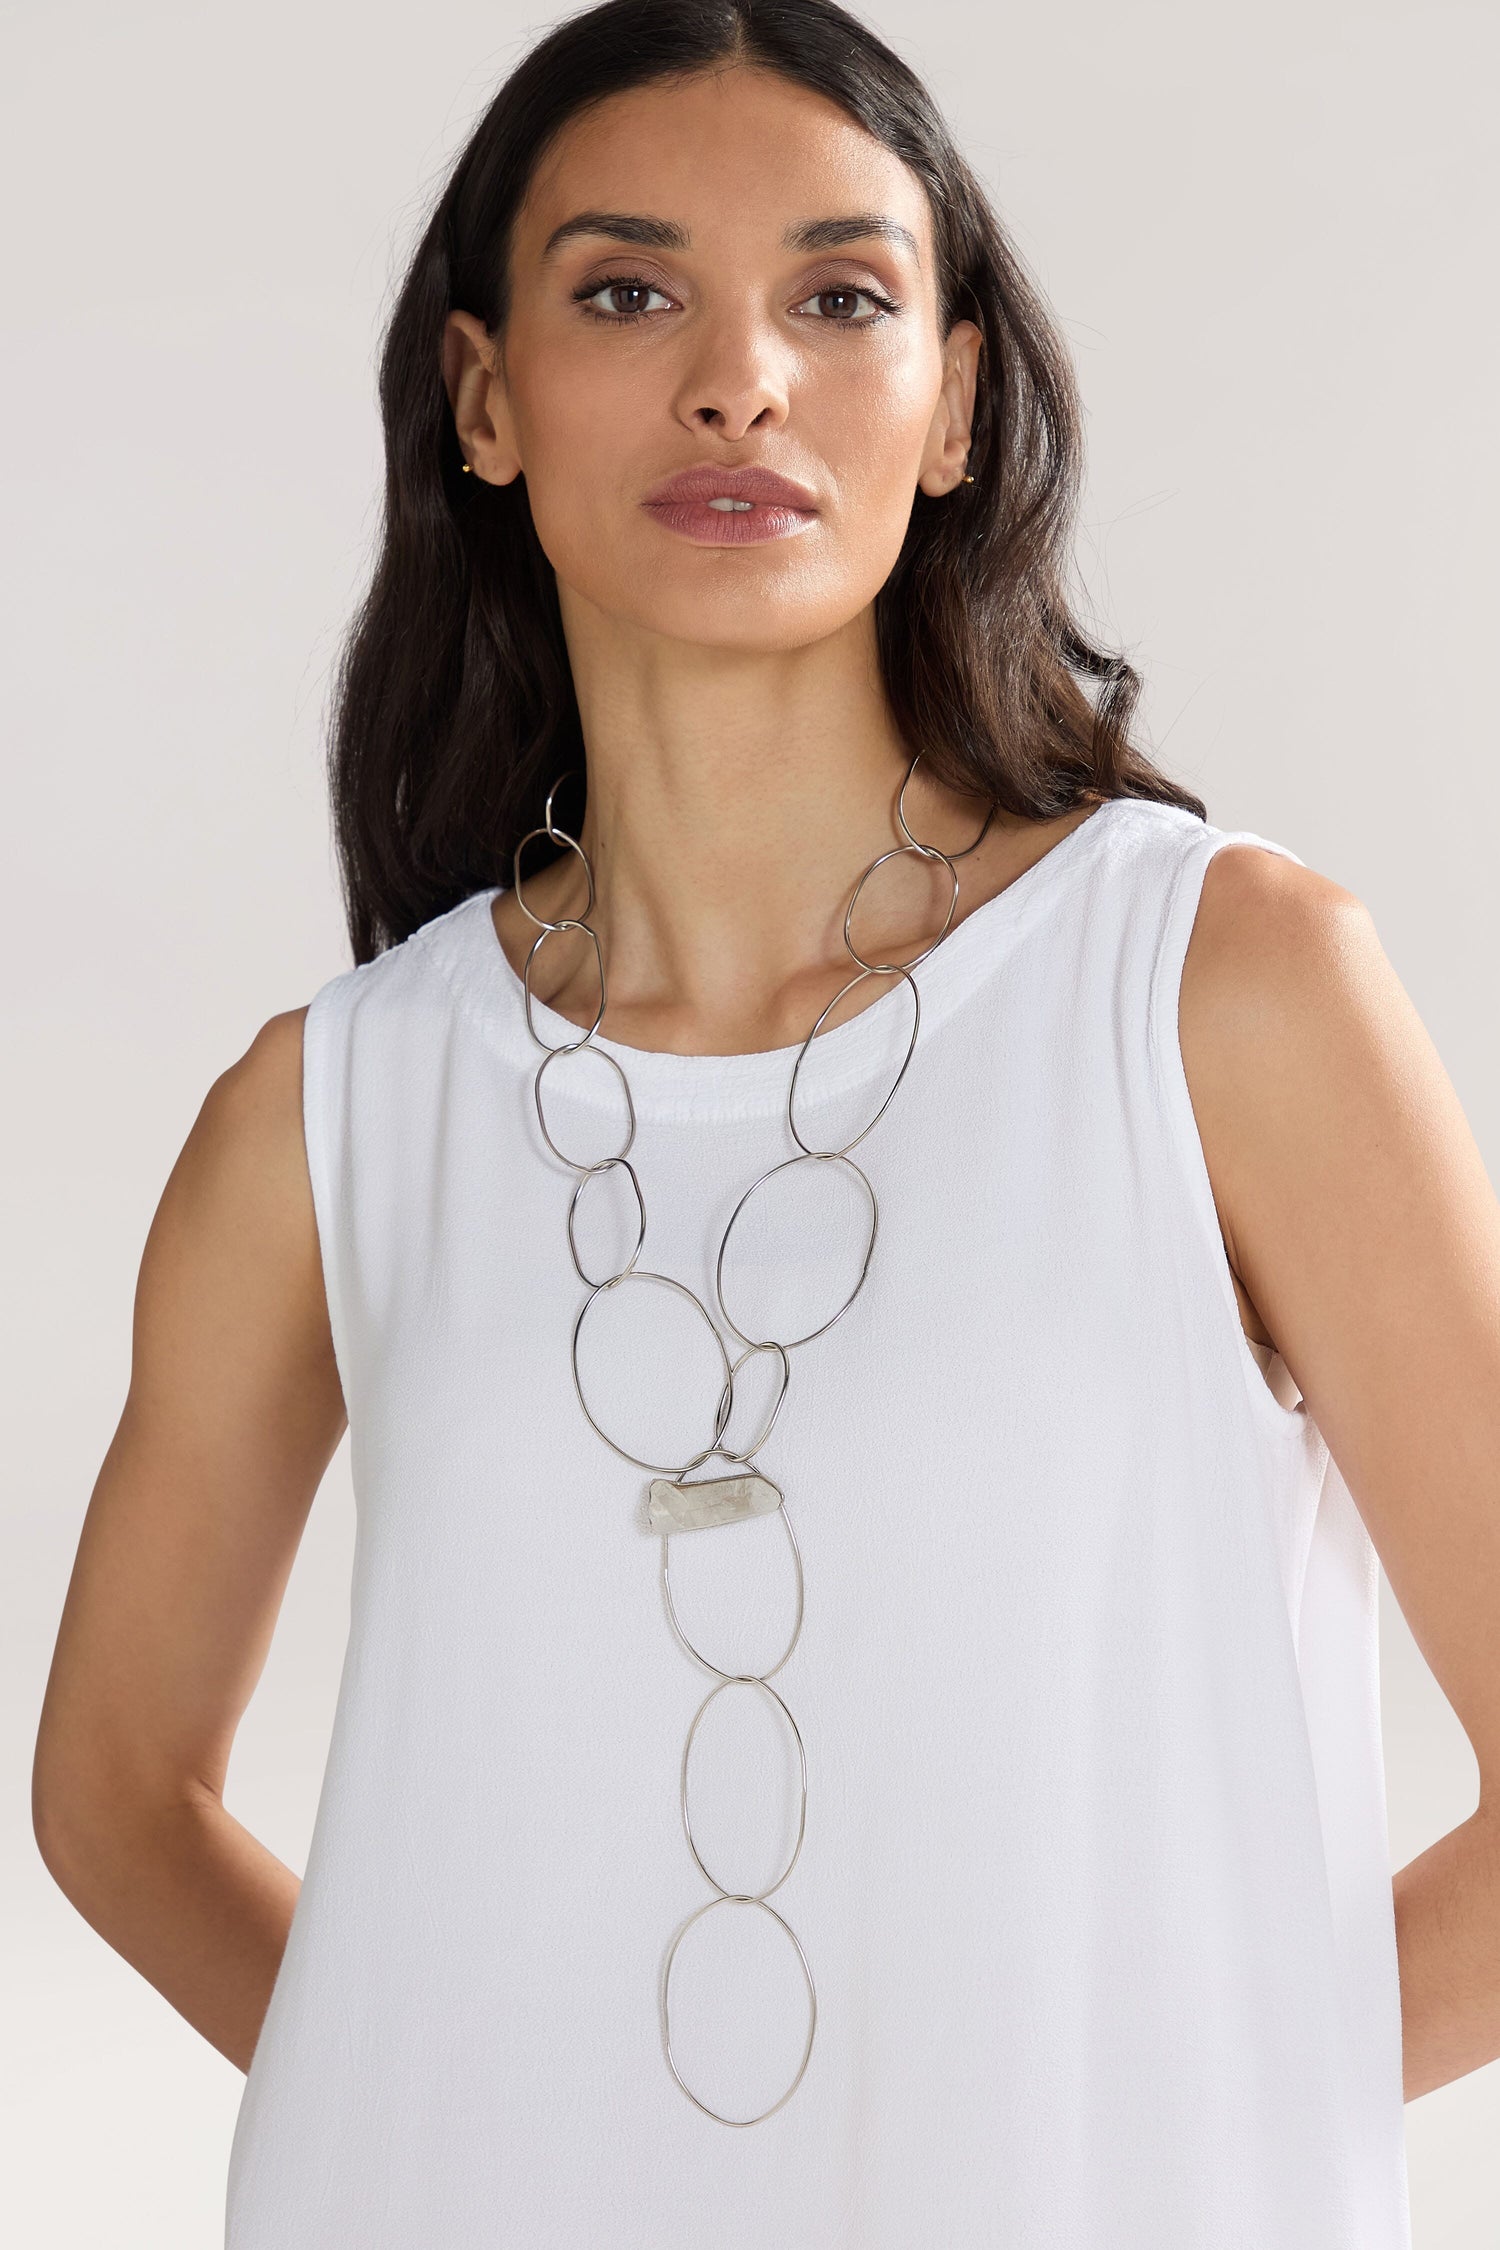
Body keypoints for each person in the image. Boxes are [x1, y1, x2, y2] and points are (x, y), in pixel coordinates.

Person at [31, 0, 1500, 2242]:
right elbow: (112, 1798)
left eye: (840, 297)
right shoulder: (328, 1114)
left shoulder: (1227, 987)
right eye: (630, 293)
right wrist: (481, 2124)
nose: (743, 381)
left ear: (954, 405)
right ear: (485, 400)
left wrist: (1160, 2118)